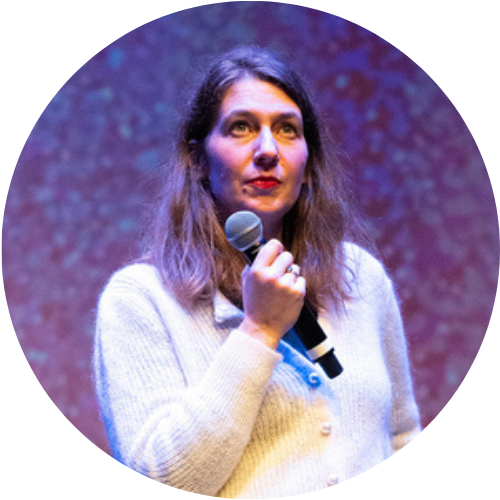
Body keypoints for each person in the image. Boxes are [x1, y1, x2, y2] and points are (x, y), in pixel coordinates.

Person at [93, 46, 421, 498]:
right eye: (241, 127)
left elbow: (403, 438)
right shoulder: (140, 299)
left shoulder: (361, 277)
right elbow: (161, 480)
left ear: (308, 166)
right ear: (199, 160)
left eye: (287, 129)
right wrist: (259, 331)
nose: (268, 151)